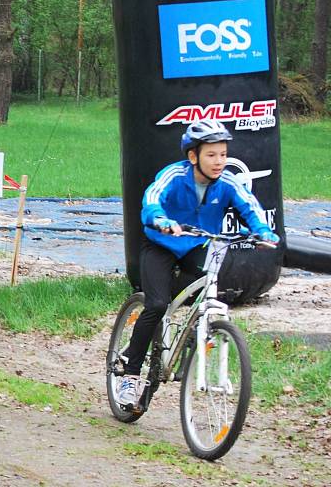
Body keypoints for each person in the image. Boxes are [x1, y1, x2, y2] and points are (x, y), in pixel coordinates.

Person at [117, 119, 280, 406]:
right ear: (193, 156)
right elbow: (152, 197)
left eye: (223, 154)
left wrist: (263, 231)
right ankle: (130, 370)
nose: (219, 162)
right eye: (211, 155)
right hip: (161, 245)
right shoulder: (174, 176)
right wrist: (160, 219)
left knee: (209, 294)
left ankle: (195, 335)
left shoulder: (228, 183)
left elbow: (249, 206)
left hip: (198, 245)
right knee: (156, 304)